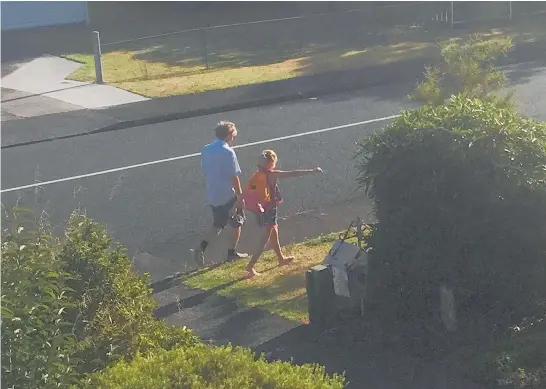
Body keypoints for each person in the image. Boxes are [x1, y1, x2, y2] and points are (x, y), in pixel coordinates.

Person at [243, 149, 323, 278]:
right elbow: (293, 173)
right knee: (266, 238)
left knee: (274, 232)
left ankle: (281, 258)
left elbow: (248, 191)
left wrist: (239, 204)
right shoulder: (272, 174)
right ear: (271, 162)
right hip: (270, 209)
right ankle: (251, 266)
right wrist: (312, 171)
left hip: (261, 209)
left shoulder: (257, 175)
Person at [193, 121, 248, 266]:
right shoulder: (228, 152)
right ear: (229, 135)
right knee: (237, 223)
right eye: (234, 134)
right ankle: (232, 253)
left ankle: (201, 248)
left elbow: (205, 168)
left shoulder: (206, 149)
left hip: (213, 193)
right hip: (227, 194)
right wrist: (240, 197)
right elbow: (234, 176)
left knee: (218, 224)